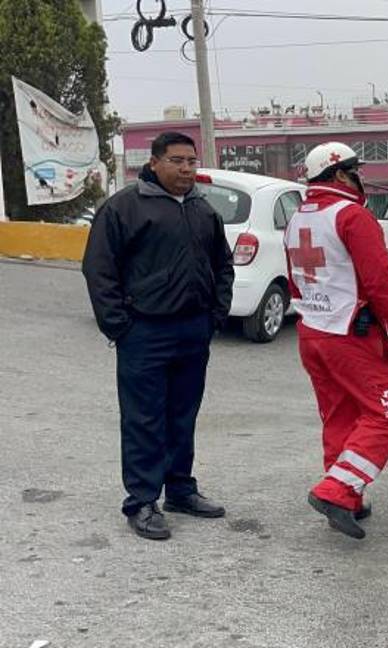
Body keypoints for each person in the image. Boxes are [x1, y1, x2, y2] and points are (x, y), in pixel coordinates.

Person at [82, 132, 234, 541]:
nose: (186, 169)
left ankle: (180, 490)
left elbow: (223, 265)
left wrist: (215, 316)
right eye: (176, 161)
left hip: (193, 331)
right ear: (154, 163)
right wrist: (120, 326)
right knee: (144, 418)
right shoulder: (124, 208)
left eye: (191, 161)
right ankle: (142, 501)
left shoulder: (203, 210)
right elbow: (99, 269)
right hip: (144, 332)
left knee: (183, 415)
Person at [285, 142, 388, 540]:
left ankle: (348, 498)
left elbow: (294, 279)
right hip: (351, 334)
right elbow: (379, 282)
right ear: (341, 174)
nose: (362, 177)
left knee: (340, 416)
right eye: (356, 171)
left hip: (312, 332)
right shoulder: (352, 216)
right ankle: (337, 491)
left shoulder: (298, 217)